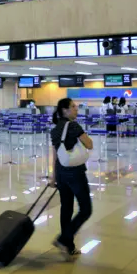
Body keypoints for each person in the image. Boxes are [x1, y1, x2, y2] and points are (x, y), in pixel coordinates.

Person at [50, 98, 93, 259]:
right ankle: (63, 239)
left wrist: (53, 177)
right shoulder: (74, 126)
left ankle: (68, 246)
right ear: (65, 110)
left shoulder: (54, 130)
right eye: (73, 107)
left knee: (66, 208)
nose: (76, 109)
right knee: (86, 209)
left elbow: (55, 155)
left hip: (61, 173)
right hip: (75, 173)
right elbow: (89, 144)